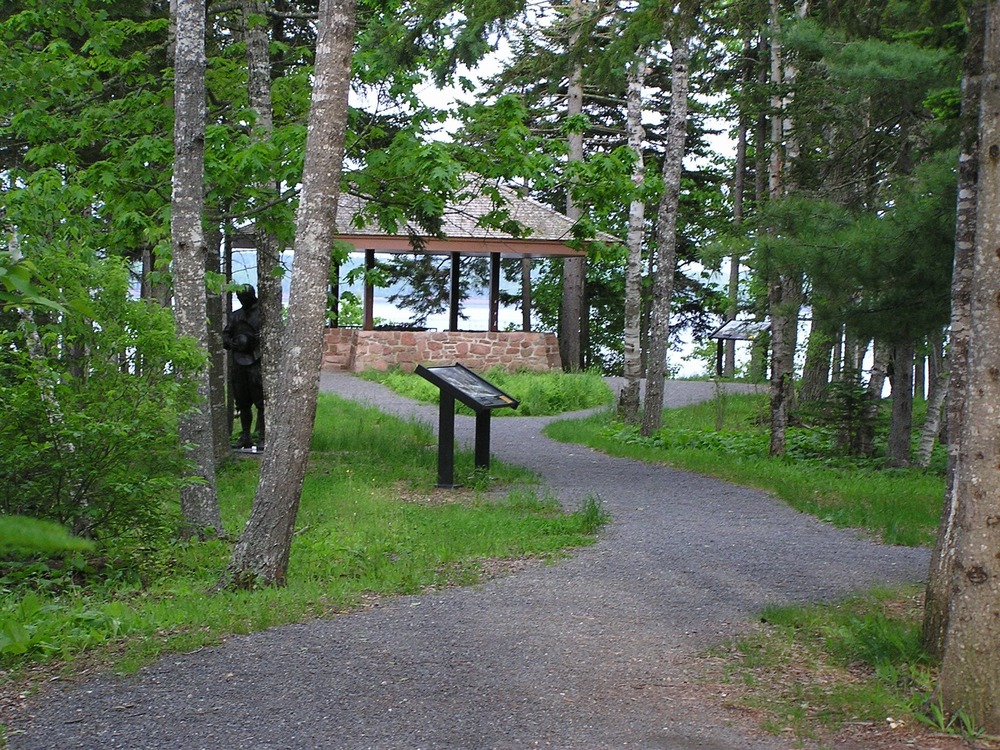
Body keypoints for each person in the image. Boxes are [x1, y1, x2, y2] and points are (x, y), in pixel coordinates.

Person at [223, 285, 264, 449]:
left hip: (256, 362)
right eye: (240, 298)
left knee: (261, 401)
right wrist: (230, 342)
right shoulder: (236, 316)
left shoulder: (263, 314)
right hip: (239, 362)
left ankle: (263, 437)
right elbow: (226, 334)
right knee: (242, 402)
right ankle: (245, 436)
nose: (242, 301)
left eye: (245, 298)